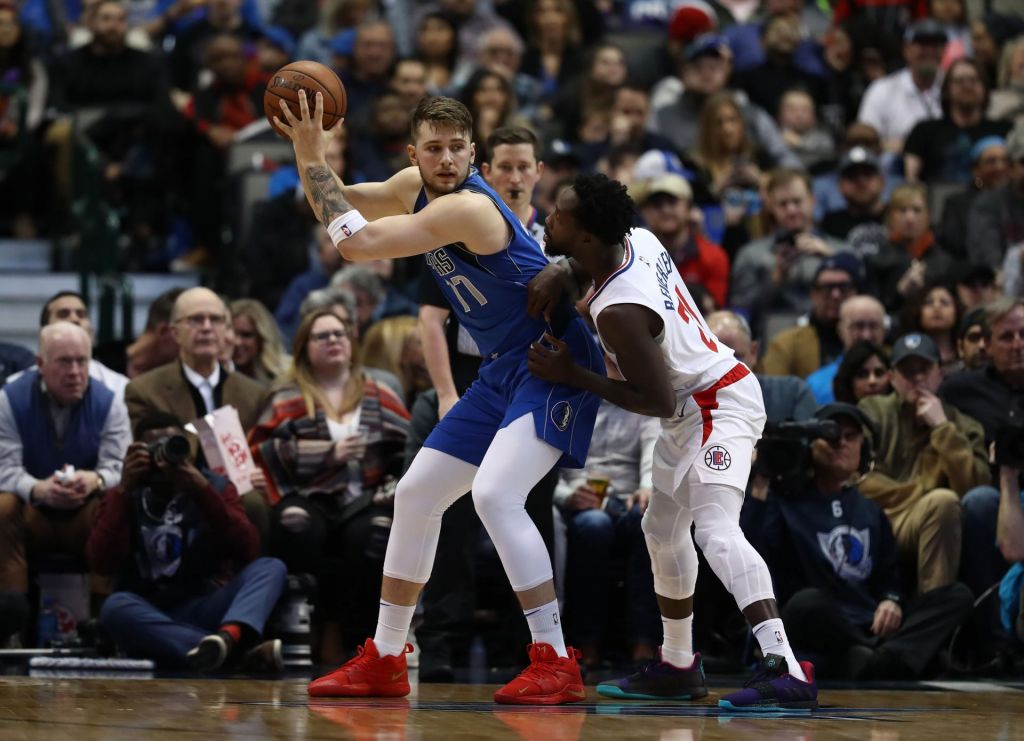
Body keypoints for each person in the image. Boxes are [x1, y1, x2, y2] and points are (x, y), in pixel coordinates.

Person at [273, 94, 602, 703]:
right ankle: (388, 656)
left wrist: (309, 152)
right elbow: (336, 197)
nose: (446, 159)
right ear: (415, 153)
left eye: (457, 148)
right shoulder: (410, 185)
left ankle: (556, 660)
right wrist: (309, 151)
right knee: (417, 494)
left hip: (555, 358)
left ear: (474, 153)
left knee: (497, 496)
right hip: (505, 365)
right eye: (433, 148)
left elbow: (354, 243)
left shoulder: (472, 209)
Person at [528, 173, 818, 710]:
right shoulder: (636, 236)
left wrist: (574, 374)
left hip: (714, 403)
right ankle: (679, 665)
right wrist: (559, 266)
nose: (549, 217)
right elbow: (587, 257)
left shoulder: (618, 312)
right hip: (690, 405)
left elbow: (654, 401)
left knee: (713, 529)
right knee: (660, 529)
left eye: (560, 215)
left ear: (587, 235)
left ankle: (786, 665)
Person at [744, 403, 974, 679]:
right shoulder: (784, 503)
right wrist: (760, 483)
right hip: (816, 620)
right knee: (806, 603)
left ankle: (869, 658)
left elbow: (891, 579)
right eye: (831, 436)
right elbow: (750, 551)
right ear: (811, 447)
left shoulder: (870, 510)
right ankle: (887, 656)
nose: (841, 443)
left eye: (851, 436)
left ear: (863, 449)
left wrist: (893, 600)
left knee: (957, 595)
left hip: (869, 624)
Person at [249, 310, 410, 659]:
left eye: (340, 333)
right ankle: (305, 625)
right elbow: (264, 451)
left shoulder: (379, 391)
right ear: (304, 347)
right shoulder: (286, 395)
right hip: (308, 495)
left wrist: (392, 482)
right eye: (322, 336)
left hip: (366, 498)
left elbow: (407, 449)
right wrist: (326, 454)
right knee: (295, 524)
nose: (334, 341)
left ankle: (363, 640)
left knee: (375, 533)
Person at [90, 413, 288, 670]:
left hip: (203, 604)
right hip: (147, 611)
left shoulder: (214, 487)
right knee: (114, 607)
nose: (161, 460)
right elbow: (101, 562)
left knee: (271, 567)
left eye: (168, 447)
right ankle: (234, 654)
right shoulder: (124, 494)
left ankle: (224, 640)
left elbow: (248, 549)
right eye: (152, 450)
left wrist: (203, 493)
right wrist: (124, 489)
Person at [0, 322, 130, 598]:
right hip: (31, 511)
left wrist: (95, 479)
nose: (74, 372)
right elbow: (4, 468)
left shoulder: (110, 402)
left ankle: (102, 617)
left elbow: (120, 466)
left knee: (115, 502)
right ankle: (11, 617)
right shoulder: (9, 400)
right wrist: (37, 488)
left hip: (86, 511)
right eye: (64, 362)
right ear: (40, 364)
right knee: (3, 506)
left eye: (82, 361)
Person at [858, 333, 991, 593]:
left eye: (925, 369)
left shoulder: (964, 426)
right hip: (876, 519)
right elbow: (858, 479)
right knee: (939, 500)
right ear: (892, 377)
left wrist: (943, 429)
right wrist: (921, 497)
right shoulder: (872, 411)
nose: (917, 378)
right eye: (907, 370)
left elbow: (974, 490)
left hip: (932, 523)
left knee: (943, 503)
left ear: (940, 373)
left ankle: (934, 614)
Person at [555, 398, 661, 670]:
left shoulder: (642, 399)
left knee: (645, 520)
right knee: (594, 525)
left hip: (629, 496)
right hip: (580, 499)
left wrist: (648, 487)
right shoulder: (568, 400)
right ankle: (586, 641)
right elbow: (545, 470)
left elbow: (654, 448)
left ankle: (644, 640)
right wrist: (567, 497)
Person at [903, 57, 1011, 185]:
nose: (967, 86)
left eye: (974, 80)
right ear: (947, 89)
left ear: (984, 88)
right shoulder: (925, 131)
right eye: (959, 81)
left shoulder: (1005, 130)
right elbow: (911, 181)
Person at [758, 252, 863, 379]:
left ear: (856, 292)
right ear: (813, 294)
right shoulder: (787, 344)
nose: (836, 295)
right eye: (827, 288)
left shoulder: (873, 337)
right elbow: (774, 392)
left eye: (843, 287)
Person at [7, 291, 129, 398]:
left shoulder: (119, 387)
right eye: (63, 314)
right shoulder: (13, 389)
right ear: (43, 335)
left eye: (81, 314)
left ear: (91, 332)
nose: (75, 319)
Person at [705, 310, 818, 424]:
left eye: (736, 358)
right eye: (714, 359)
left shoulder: (792, 394)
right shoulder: (688, 402)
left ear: (753, 352)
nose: (725, 370)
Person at [636, 174, 730, 308]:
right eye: (657, 204)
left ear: (689, 208)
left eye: (672, 202)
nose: (665, 210)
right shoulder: (635, 256)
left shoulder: (713, 256)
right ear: (645, 212)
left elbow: (713, 307)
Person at [857, 19, 948, 153]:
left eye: (936, 45)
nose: (929, 51)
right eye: (922, 44)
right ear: (906, 50)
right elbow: (863, 142)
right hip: (895, 167)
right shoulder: (881, 90)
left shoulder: (954, 85)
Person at [805, 294, 887, 404]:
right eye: (858, 326)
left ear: (884, 331)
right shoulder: (816, 385)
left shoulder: (899, 380)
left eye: (873, 326)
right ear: (840, 330)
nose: (866, 336)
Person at [898, 282, 961, 374]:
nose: (937, 307)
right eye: (929, 302)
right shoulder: (906, 354)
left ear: (957, 311)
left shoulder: (965, 355)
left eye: (945, 303)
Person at [230, 299, 288, 386]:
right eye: (233, 334)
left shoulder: (285, 375)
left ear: (261, 338)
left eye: (246, 335)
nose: (237, 342)